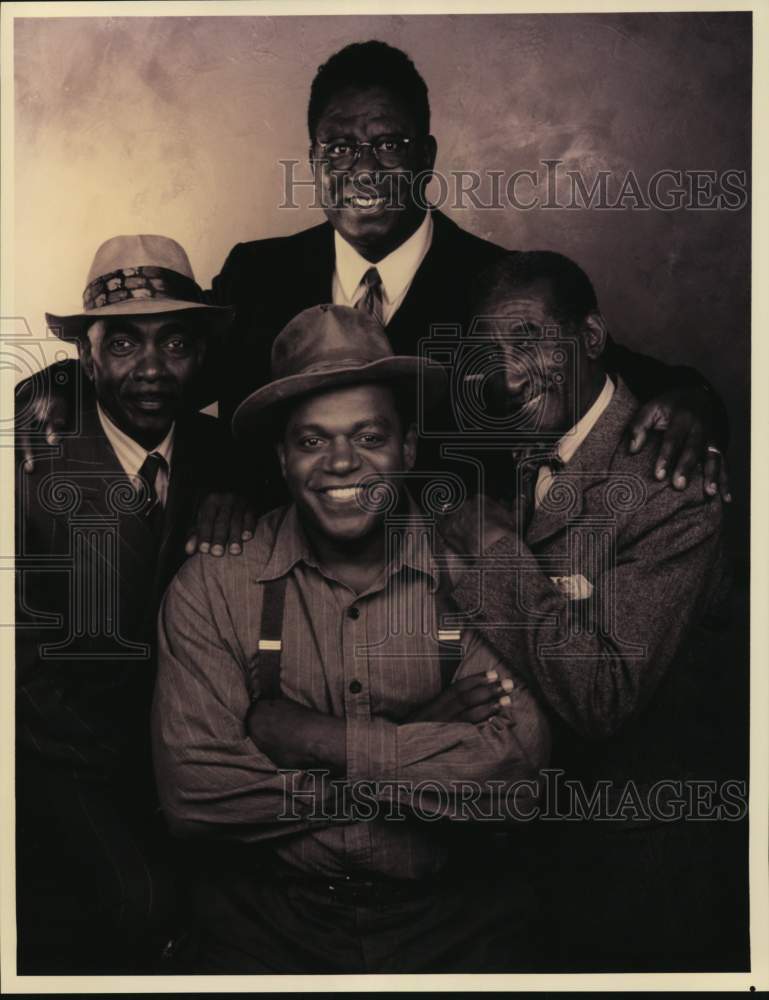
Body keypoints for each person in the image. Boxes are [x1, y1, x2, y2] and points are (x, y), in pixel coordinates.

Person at [18, 40, 730, 514]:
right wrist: (62, 382)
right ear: (312, 157)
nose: (363, 165)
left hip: (447, 610)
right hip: (274, 594)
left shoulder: (493, 282)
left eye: (388, 142)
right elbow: (162, 364)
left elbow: (605, 373)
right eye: (339, 144)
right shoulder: (256, 272)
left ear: (426, 155)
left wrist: (690, 397)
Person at [152, 304, 551, 974]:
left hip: (455, 921)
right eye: (312, 442)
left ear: (408, 449)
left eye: (368, 438)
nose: (341, 464)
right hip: (264, 923)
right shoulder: (214, 585)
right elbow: (196, 795)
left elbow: (513, 777)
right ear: (280, 459)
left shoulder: (474, 567)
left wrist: (312, 739)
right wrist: (420, 738)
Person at [438, 251, 747, 971]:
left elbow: (603, 696)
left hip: (640, 876)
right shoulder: (521, 445)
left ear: (590, 336)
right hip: (526, 863)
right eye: (492, 351)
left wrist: (494, 553)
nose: (508, 373)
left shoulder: (672, 484)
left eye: (528, 341)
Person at [15, 234, 238, 974]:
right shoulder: (30, 462)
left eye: (175, 342)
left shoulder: (222, 455)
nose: (150, 368)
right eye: (122, 344)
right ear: (85, 355)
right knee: (141, 909)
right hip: (64, 755)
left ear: (201, 354)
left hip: (187, 752)